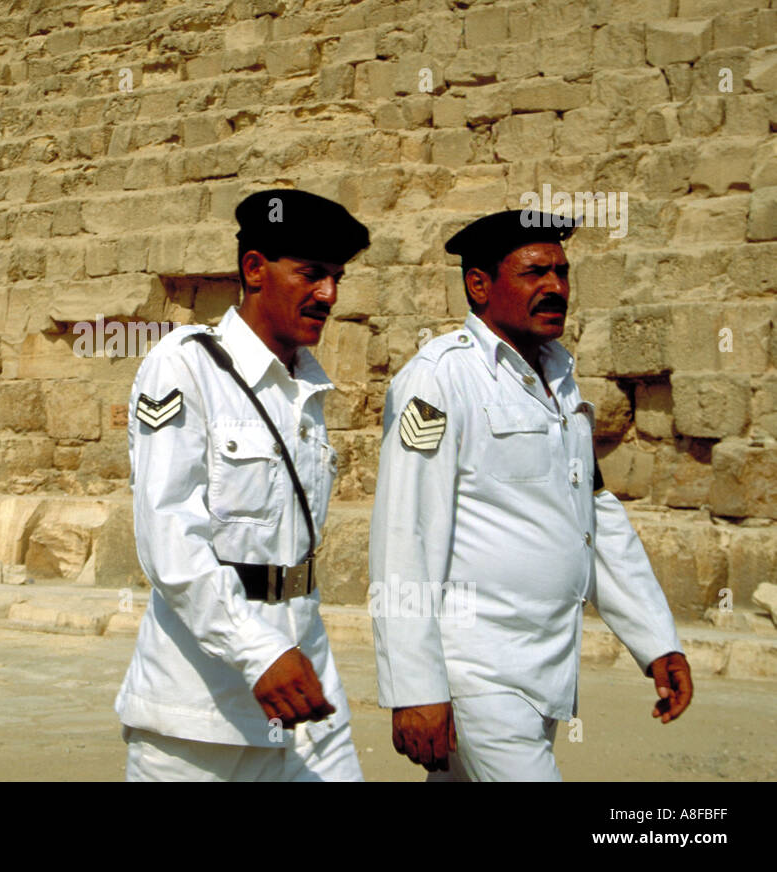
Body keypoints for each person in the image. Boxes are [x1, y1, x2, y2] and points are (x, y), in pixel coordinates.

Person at [368, 209, 692, 781]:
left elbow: (594, 521)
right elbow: (404, 535)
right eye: (535, 273)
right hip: (478, 676)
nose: (556, 288)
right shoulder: (440, 379)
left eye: (563, 273)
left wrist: (656, 641)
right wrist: (413, 686)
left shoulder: (560, 381)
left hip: (544, 670)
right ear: (479, 285)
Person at [114, 188, 369, 781]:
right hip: (200, 714)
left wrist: (289, 653)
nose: (328, 294)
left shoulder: (305, 387)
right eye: (311, 274)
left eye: (336, 277)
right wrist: (260, 653)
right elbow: (170, 533)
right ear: (254, 269)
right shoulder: (186, 366)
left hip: (305, 688)